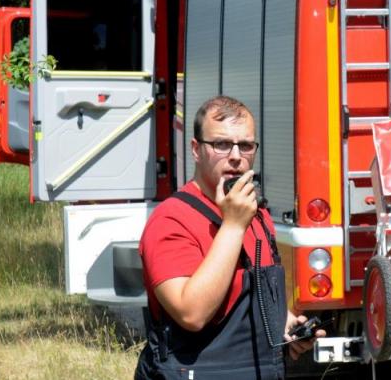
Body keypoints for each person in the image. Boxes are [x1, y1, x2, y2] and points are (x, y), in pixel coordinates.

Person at [135, 95, 325, 379]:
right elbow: (190, 313)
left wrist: (286, 326)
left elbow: (251, 298)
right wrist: (233, 226)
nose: (236, 156)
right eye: (221, 144)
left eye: (245, 145)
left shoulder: (256, 215)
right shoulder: (171, 219)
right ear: (196, 149)